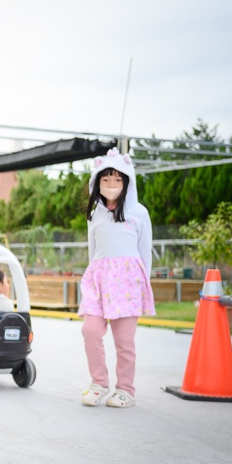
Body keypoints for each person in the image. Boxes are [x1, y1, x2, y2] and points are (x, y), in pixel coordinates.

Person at [79, 150, 154, 409]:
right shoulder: (94, 215)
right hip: (98, 282)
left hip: (128, 283)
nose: (111, 186)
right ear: (97, 183)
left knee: (124, 342)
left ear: (127, 182)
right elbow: (93, 251)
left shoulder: (138, 213)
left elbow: (144, 251)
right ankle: (99, 383)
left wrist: (144, 284)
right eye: (106, 180)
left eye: (117, 180)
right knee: (90, 330)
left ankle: (125, 390)